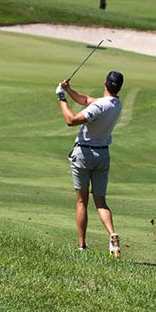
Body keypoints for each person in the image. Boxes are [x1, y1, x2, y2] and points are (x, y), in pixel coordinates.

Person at [56, 71, 125, 256]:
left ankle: (82, 245)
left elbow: (71, 120)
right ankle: (112, 234)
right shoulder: (116, 104)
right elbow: (86, 99)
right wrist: (69, 90)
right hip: (103, 156)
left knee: (82, 201)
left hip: (84, 155)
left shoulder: (99, 106)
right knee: (101, 202)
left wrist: (61, 98)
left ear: (105, 83)